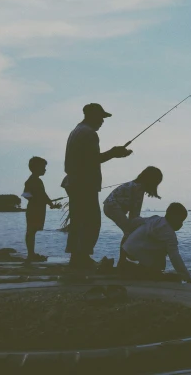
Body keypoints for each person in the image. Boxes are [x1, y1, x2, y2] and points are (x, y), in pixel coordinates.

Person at [62, 103, 132, 268]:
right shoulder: (89, 133)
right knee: (91, 221)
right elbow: (93, 159)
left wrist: (114, 153)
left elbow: (88, 158)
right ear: (92, 116)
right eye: (101, 117)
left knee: (78, 221)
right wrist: (114, 153)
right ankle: (83, 257)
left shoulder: (76, 130)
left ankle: (76, 257)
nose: (102, 121)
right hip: (84, 184)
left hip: (75, 182)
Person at [103, 166, 163, 267]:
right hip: (112, 206)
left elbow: (134, 215)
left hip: (109, 206)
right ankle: (122, 261)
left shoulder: (135, 185)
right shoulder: (138, 188)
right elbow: (134, 215)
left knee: (129, 230)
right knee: (128, 231)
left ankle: (123, 260)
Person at [122, 203, 191, 283]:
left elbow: (136, 221)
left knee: (161, 248)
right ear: (174, 217)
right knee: (164, 253)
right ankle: (141, 270)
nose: (181, 224)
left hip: (127, 248)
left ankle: (138, 267)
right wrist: (187, 278)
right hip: (137, 251)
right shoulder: (169, 233)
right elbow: (174, 256)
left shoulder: (155, 219)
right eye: (181, 220)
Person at [22, 156, 60, 262]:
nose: (45, 169)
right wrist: (37, 201)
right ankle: (30, 254)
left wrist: (51, 204)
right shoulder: (32, 180)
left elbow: (43, 196)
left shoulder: (36, 180)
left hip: (37, 209)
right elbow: (26, 194)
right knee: (31, 231)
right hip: (34, 209)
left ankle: (31, 254)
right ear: (36, 168)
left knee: (32, 231)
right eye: (43, 167)